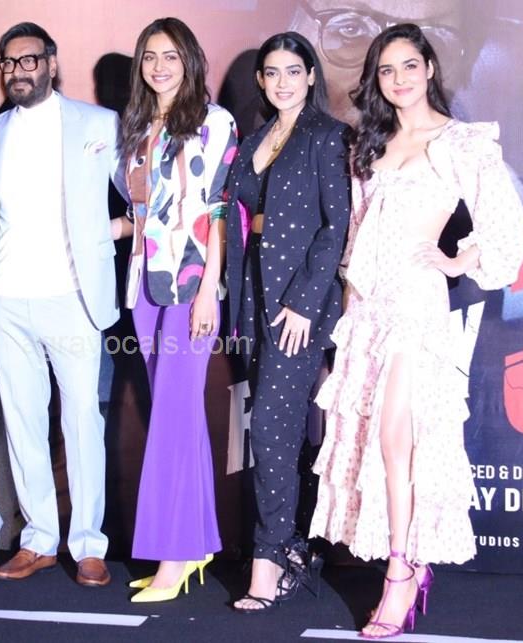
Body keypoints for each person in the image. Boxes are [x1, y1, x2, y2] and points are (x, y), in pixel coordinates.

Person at [307, 23, 523, 638]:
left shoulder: (460, 142)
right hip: (368, 308)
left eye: (410, 65)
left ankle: (400, 573)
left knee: (394, 436)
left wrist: (458, 260)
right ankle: (406, 561)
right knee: (378, 439)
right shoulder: (370, 144)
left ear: (430, 68)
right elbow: (357, 234)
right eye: (387, 70)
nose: (399, 79)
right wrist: (349, 309)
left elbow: (507, 232)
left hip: (416, 304)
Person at [0, 22, 120, 588]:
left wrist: (117, 230)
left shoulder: (99, 124)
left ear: (51, 64)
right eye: (8, 63)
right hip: (8, 299)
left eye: (28, 60)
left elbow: (140, 195)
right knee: (22, 423)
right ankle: (38, 539)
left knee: (82, 421)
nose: (18, 71)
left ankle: (88, 545)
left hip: (73, 298)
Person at [110, 17, 237, 602]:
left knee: (173, 415)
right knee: (175, 414)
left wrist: (210, 287)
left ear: (190, 60)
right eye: (150, 56)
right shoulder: (137, 127)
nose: (159, 67)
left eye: (170, 56)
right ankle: (196, 542)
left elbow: (218, 211)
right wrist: (109, 229)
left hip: (191, 284)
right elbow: (143, 212)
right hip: (143, 283)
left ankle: (175, 554)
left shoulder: (214, 122)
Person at [222, 31, 349, 612]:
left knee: (272, 432)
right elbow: (238, 215)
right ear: (260, 80)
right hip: (253, 297)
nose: (282, 82)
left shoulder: (327, 136)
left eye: (293, 71)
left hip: (298, 306)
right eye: (271, 72)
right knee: (275, 431)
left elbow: (335, 226)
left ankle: (269, 560)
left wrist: (303, 301)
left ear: (311, 75)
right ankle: (292, 545)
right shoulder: (254, 139)